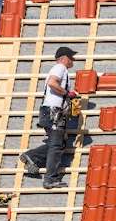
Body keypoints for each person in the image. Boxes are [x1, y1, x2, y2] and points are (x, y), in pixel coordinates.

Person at [20, 47, 78, 189]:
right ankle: (50, 179)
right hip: (53, 112)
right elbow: (52, 83)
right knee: (56, 145)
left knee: (59, 144)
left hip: (51, 112)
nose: (73, 60)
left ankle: (31, 156)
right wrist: (67, 94)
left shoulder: (60, 69)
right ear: (64, 58)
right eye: (71, 57)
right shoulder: (60, 67)